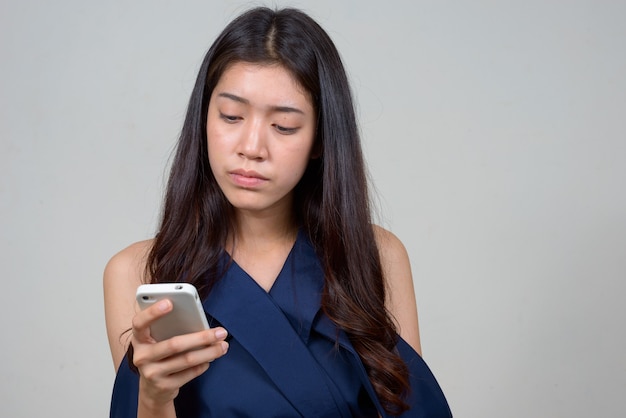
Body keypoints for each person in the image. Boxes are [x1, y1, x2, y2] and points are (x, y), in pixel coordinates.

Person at [104, 6, 452, 418]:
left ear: (320, 140)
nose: (251, 147)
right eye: (231, 116)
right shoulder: (138, 270)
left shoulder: (377, 254)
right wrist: (154, 397)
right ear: (203, 119)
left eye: (284, 126)